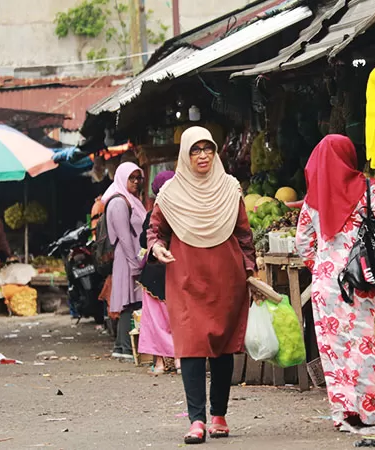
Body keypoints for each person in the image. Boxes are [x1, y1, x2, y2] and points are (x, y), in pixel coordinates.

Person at [148, 126, 257, 445]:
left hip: (226, 279)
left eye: (208, 149)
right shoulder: (169, 194)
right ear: (185, 154)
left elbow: (244, 235)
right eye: (195, 150)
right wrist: (156, 248)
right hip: (185, 279)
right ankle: (196, 420)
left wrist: (250, 270)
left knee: (222, 349)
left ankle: (219, 415)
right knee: (192, 348)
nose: (203, 155)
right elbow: (155, 232)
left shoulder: (230, 188)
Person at [296, 134, 375, 428]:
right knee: (366, 347)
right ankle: (373, 412)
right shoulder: (368, 190)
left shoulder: (313, 199)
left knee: (335, 350)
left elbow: (303, 243)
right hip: (362, 279)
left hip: (327, 286)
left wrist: (322, 266)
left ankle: (345, 413)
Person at [103, 162, 147, 360]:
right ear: (122, 178)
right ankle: (125, 347)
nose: (136, 182)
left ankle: (123, 347)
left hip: (132, 257)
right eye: (132, 178)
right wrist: (134, 264)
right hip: (127, 257)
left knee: (132, 301)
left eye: (139, 178)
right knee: (129, 302)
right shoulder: (119, 202)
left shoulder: (131, 200)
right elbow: (124, 237)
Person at [137, 171, 178, 374]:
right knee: (177, 318)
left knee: (155, 320)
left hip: (154, 274)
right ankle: (179, 361)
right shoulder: (184, 211)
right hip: (177, 271)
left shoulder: (153, 214)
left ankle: (160, 363)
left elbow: (143, 241)